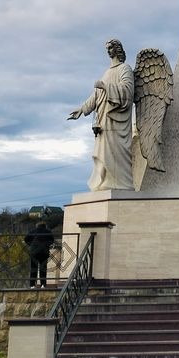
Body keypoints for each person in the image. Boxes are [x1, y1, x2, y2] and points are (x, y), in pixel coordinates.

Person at [68, 38, 135, 190]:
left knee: (116, 153)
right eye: (107, 48)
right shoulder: (107, 72)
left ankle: (120, 184)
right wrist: (82, 109)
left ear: (117, 49)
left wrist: (105, 86)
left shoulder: (125, 69)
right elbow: (96, 95)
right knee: (103, 152)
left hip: (116, 121)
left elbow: (128, 92)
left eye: (110, 48)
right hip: (103, 121)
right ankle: (103, 182)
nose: (108, 51)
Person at [24, 221, 55, 289]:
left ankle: (32, 285)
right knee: (43, 269)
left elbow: (26, 239)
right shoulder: (48, 232)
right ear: (45, 225)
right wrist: (47, 245)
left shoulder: (32, 231)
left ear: (37, 226)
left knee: (33, 268)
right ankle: (43, 284)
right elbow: (52, 240)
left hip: (34, 252)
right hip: (44, 252)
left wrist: (31, 244)